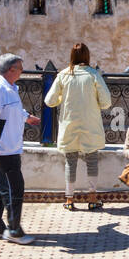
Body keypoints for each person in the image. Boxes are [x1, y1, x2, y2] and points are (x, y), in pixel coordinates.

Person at [0, 53, 40, 244]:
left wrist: (26, 117)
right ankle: (14, 230)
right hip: (4, 150)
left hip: (10, 148)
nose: (22, 71)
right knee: (14, 189)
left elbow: (11, 111)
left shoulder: (11, 89)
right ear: (11, 70)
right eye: (20, 68)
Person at [44, 42, 112, 211]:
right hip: (90, 124)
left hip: (69, 124)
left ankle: (69, 200)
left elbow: (49, 101)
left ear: (71, 57)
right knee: (92, 161)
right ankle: (93, 198)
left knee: (70, 162)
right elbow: (106, 103)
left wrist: (63, 100)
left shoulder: (63, 75)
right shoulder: (94, 75)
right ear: (87, 56)